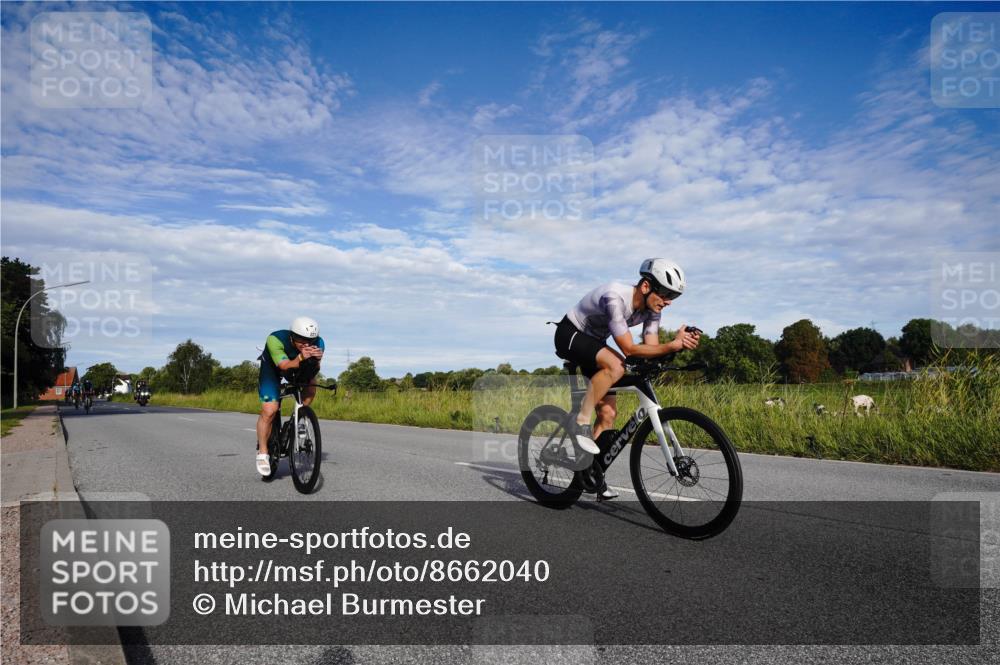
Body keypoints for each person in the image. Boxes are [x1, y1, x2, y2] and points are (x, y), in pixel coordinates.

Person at [553, 258, 701, 499]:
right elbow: (630, 349)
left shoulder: (653, 311)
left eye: (673, 297)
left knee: (608, 414)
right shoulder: (615, 297)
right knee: (617, 365)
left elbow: (650, 349)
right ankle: (580, 423)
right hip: (570, 333)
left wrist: (678, 346)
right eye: (664, 294)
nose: (667, 302)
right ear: (645, 286)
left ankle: (591, 472)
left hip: (594, 343)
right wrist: (670, 345)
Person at [256, 317, 325, 475]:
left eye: (311, 340)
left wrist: (316, 360)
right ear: (292, 336)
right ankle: (263, 452)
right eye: (302, 340)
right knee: (270, 409)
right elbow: (284, 365)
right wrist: (301, 357)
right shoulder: (275, 339)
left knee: (311, 387)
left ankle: (300, 417)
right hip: (272, 370)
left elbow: (313, 370)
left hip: (296, 367)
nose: (307, 344)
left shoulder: (319, 343)